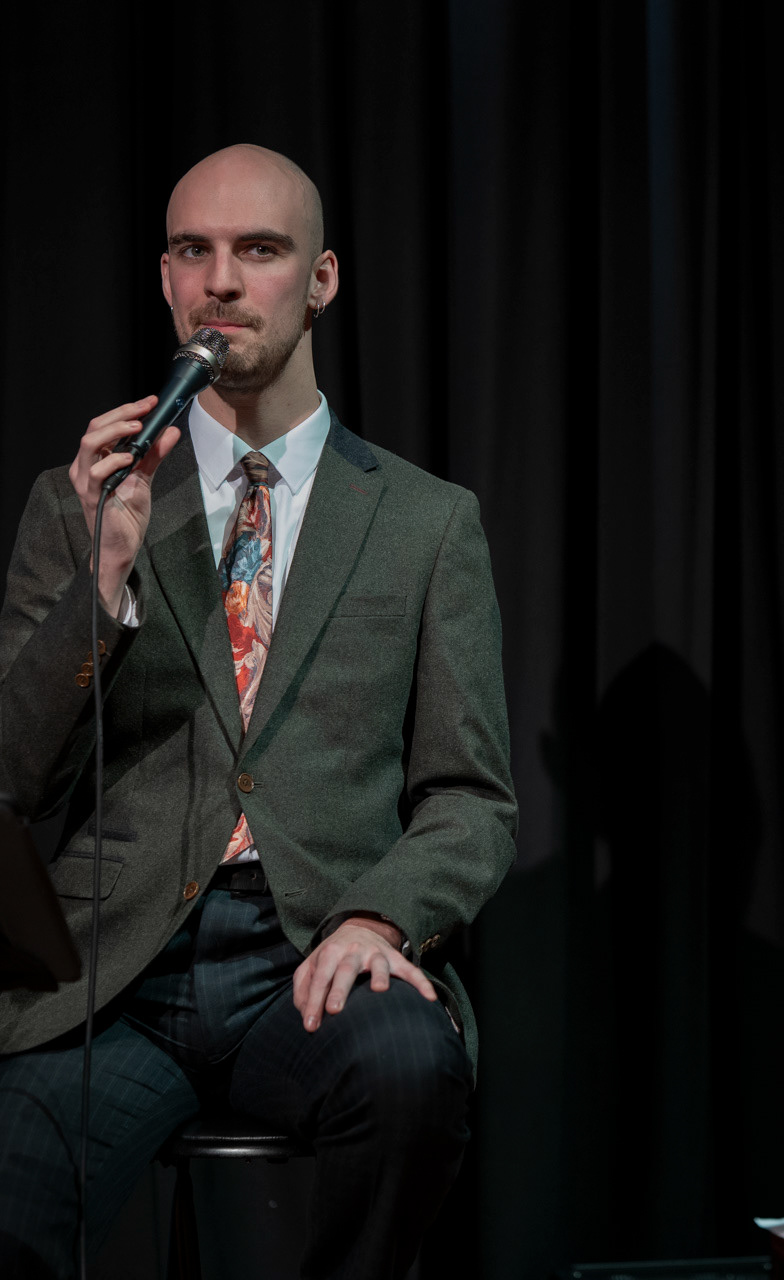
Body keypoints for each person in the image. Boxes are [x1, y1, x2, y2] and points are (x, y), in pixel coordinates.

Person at [0, 144, 516, 1279]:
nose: (221, 280)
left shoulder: (427, 522)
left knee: (409, 1076)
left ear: (321, 279)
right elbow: (15, 780)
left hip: (314, 950)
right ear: (166, 279)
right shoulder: (80, 499)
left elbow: (470, 799)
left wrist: (379, 919)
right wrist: (102, 578)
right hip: (119, 971)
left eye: (259, 250)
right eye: (193, 250)